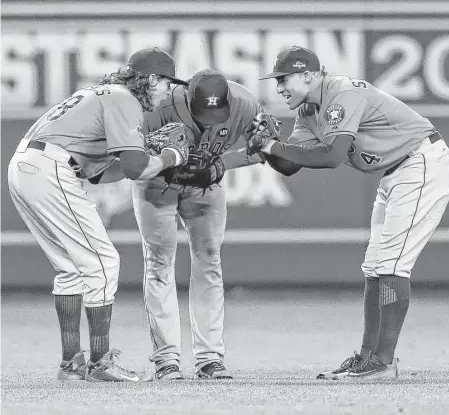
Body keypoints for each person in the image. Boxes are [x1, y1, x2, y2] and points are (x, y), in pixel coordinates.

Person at [253, 46, 449, 380]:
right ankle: (367, 357)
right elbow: (290, 164)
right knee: (375, 266)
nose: (278, 87)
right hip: (396, 173)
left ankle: (384, 362)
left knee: (391, 263)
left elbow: (332, 155)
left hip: (421, 163)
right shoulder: (308, 111)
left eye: (283, 78)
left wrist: (270, 146)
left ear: (308, 75)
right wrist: (264, 147)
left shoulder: (342, 94)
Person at [7, 47, 189, 382]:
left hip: (27, 166)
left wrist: (149, 154)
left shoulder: (101, 94)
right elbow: (136, 168)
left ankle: (71, 365)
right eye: (166, 83)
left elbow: (99, 174)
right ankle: (100, 362)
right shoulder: (125, 101)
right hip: (49, 168)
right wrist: (169, 157)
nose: (168, 91)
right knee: (103, 262)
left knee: (72, 269)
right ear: (150, 80)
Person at [132, 69, 264, 380]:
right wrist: (166, 164)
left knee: (209, 261)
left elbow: (269, 148)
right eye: (204, 113)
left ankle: (210, 359)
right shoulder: (158, 106)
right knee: (159, 262)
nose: (211, 120)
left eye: (218, 113)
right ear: (189, 102)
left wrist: (222, 163)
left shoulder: (244, 102)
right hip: (158, 185)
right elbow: (131, 162)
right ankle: (166, 360)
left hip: (208, 183)